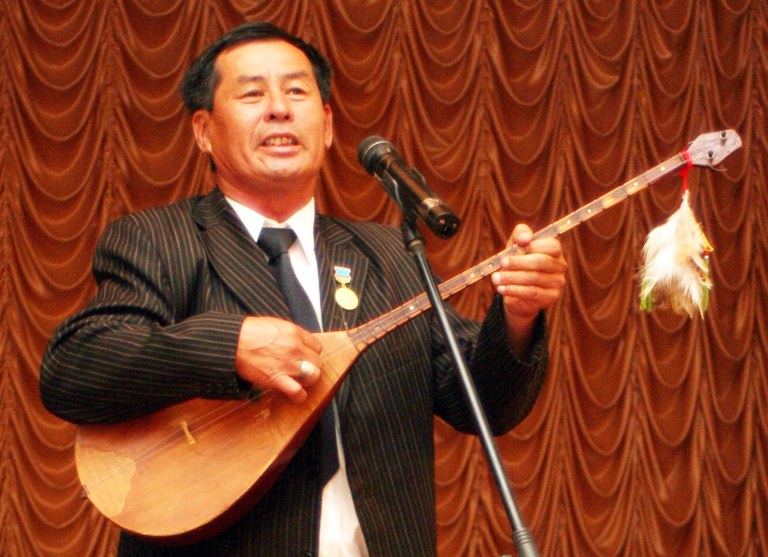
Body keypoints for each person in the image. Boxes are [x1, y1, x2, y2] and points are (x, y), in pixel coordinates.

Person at [40, 21, 567, 557]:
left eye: (296, 91)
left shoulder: (388, 253)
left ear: (328, 124)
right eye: (252, 94)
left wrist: (518, 316)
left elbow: (484, 404)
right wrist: (229, 347)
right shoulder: (157, 239)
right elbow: (74, 368)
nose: (279, 109)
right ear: (203, 131)